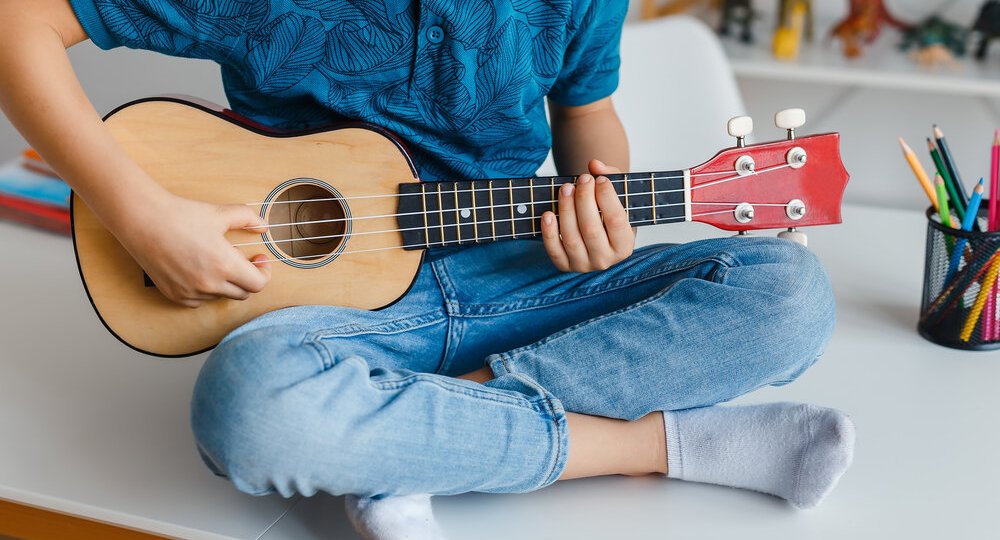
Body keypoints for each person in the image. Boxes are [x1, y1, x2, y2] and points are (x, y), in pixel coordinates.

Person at [0, 1, 854, 538]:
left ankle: (412, 444)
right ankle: (656, 447)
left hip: (523, 278)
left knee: (791, 293)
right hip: (339, 315)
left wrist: (605, 209)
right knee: (248, 405)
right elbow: (18, 18)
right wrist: (138, 210)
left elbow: (589, 116)